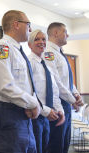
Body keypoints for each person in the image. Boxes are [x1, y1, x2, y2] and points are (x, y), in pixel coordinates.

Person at [0, 10, 41, 153]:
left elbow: (25, 86)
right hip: (6, 116)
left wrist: (32, 103)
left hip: (22, 114)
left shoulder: (18, 51)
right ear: (16, 24)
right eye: (28, 24)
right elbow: (5, 86)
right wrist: (34, 103)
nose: (30, 29)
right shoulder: (1, 48)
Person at [28, 29, 79, 153]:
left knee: (49, 147)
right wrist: (46, 110)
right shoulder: (29, 62)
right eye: (37, 39)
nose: (41, 42)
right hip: (36, 115)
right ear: (29, 44)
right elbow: (30, 93)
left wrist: (60, 110)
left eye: (43, 39)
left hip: (48, 115)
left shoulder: (44, 64)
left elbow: (54, 90)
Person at [44, 22, 84, 153]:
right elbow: (55, 82)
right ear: (55, 33)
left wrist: (76, 94)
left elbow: (67, 80)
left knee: (64, 143)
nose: (68, 34)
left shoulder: (60, 53)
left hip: (66, 103)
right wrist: (73, 100)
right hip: (56, 104)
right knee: (56, 144)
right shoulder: (49, 52)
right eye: (65, 32)